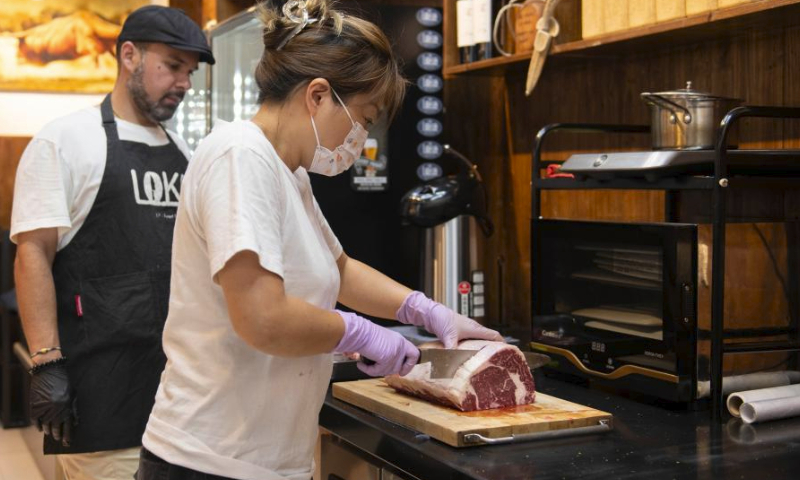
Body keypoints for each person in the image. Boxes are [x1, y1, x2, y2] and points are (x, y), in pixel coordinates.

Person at [135, 1, 502, 479]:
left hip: (269, 458)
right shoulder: (239, 157)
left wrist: (423, 309)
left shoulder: (291, 172)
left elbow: (340, 268)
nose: (363, 137)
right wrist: (360, 332)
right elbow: (262, 318)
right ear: (318, 95)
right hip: (209, 458)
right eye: (364, 117)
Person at [10, 5, 215, 479]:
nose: (184, 83)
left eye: (190, 70)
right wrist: (45, 365)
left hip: (177, 405)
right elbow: (33, 253)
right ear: (129, 56)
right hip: (102, 393)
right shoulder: (64, 141)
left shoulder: (185, 153)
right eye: (172, 65)